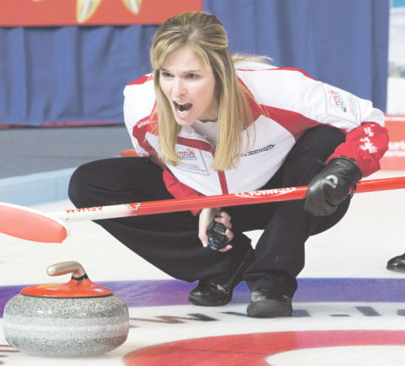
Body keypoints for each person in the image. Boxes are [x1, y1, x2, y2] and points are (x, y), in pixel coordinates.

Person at [68, 11, 389, 318]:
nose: (175, 91)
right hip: (217, 205)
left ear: (220, 72)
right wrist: (199, 203)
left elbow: (370, 122)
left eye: (192, 76)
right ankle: (223, 265)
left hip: (297, 200)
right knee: (90, 182)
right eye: (166, 74)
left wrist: (344, 168)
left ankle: (272, 280)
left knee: (327, 138)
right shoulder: (141, 103)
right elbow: (159, 161)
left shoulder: (282, 90)